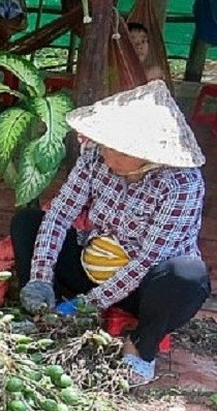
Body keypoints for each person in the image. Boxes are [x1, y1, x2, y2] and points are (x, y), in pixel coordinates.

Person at [11, 80, 210, 386]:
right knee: (28, 222)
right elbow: (60, 213)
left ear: (144, 152)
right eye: (104, 144)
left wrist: (85, 306)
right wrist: (39, 277)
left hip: (145, 286)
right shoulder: (95, 156)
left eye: (115, 149)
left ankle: (142, 345)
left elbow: (146, 261)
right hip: (94, 265)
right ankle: (41, 310)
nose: (105, 153)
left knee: (187, 276)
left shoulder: (181, 184)